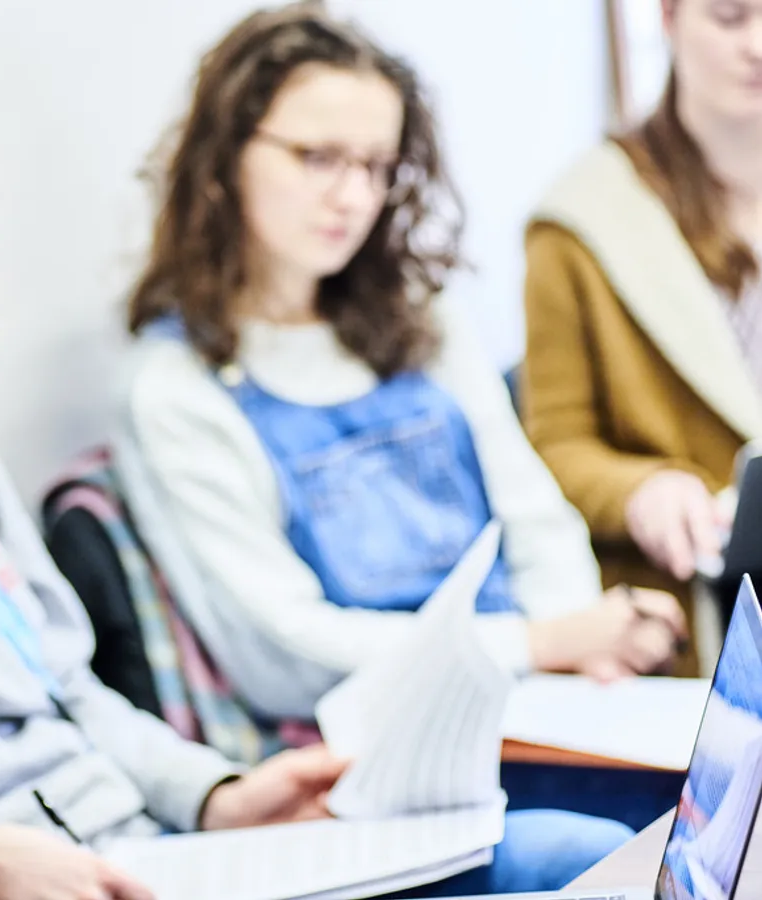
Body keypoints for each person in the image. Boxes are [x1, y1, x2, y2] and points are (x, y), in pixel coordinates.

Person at [0, 72, 634, 899]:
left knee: (581, 851)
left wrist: (216, 794)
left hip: (147, 841)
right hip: (14, 869)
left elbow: (69, 687)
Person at [110, 2, 688, 725]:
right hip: (376, 744)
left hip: (538, 706)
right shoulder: (174, 389)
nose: (353, 197)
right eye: (317, 158)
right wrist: (541, 644)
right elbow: (288, 658)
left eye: (377, 167)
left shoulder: (421, 321)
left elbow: (536, 521)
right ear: (224, 157)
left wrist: (588, 655)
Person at [523, 0, 762, 675]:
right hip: (693, 634)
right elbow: (554, 448)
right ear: (668, 18)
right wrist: (641, 491)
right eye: (730, 17)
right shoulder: (583, 224)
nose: (758, 45)